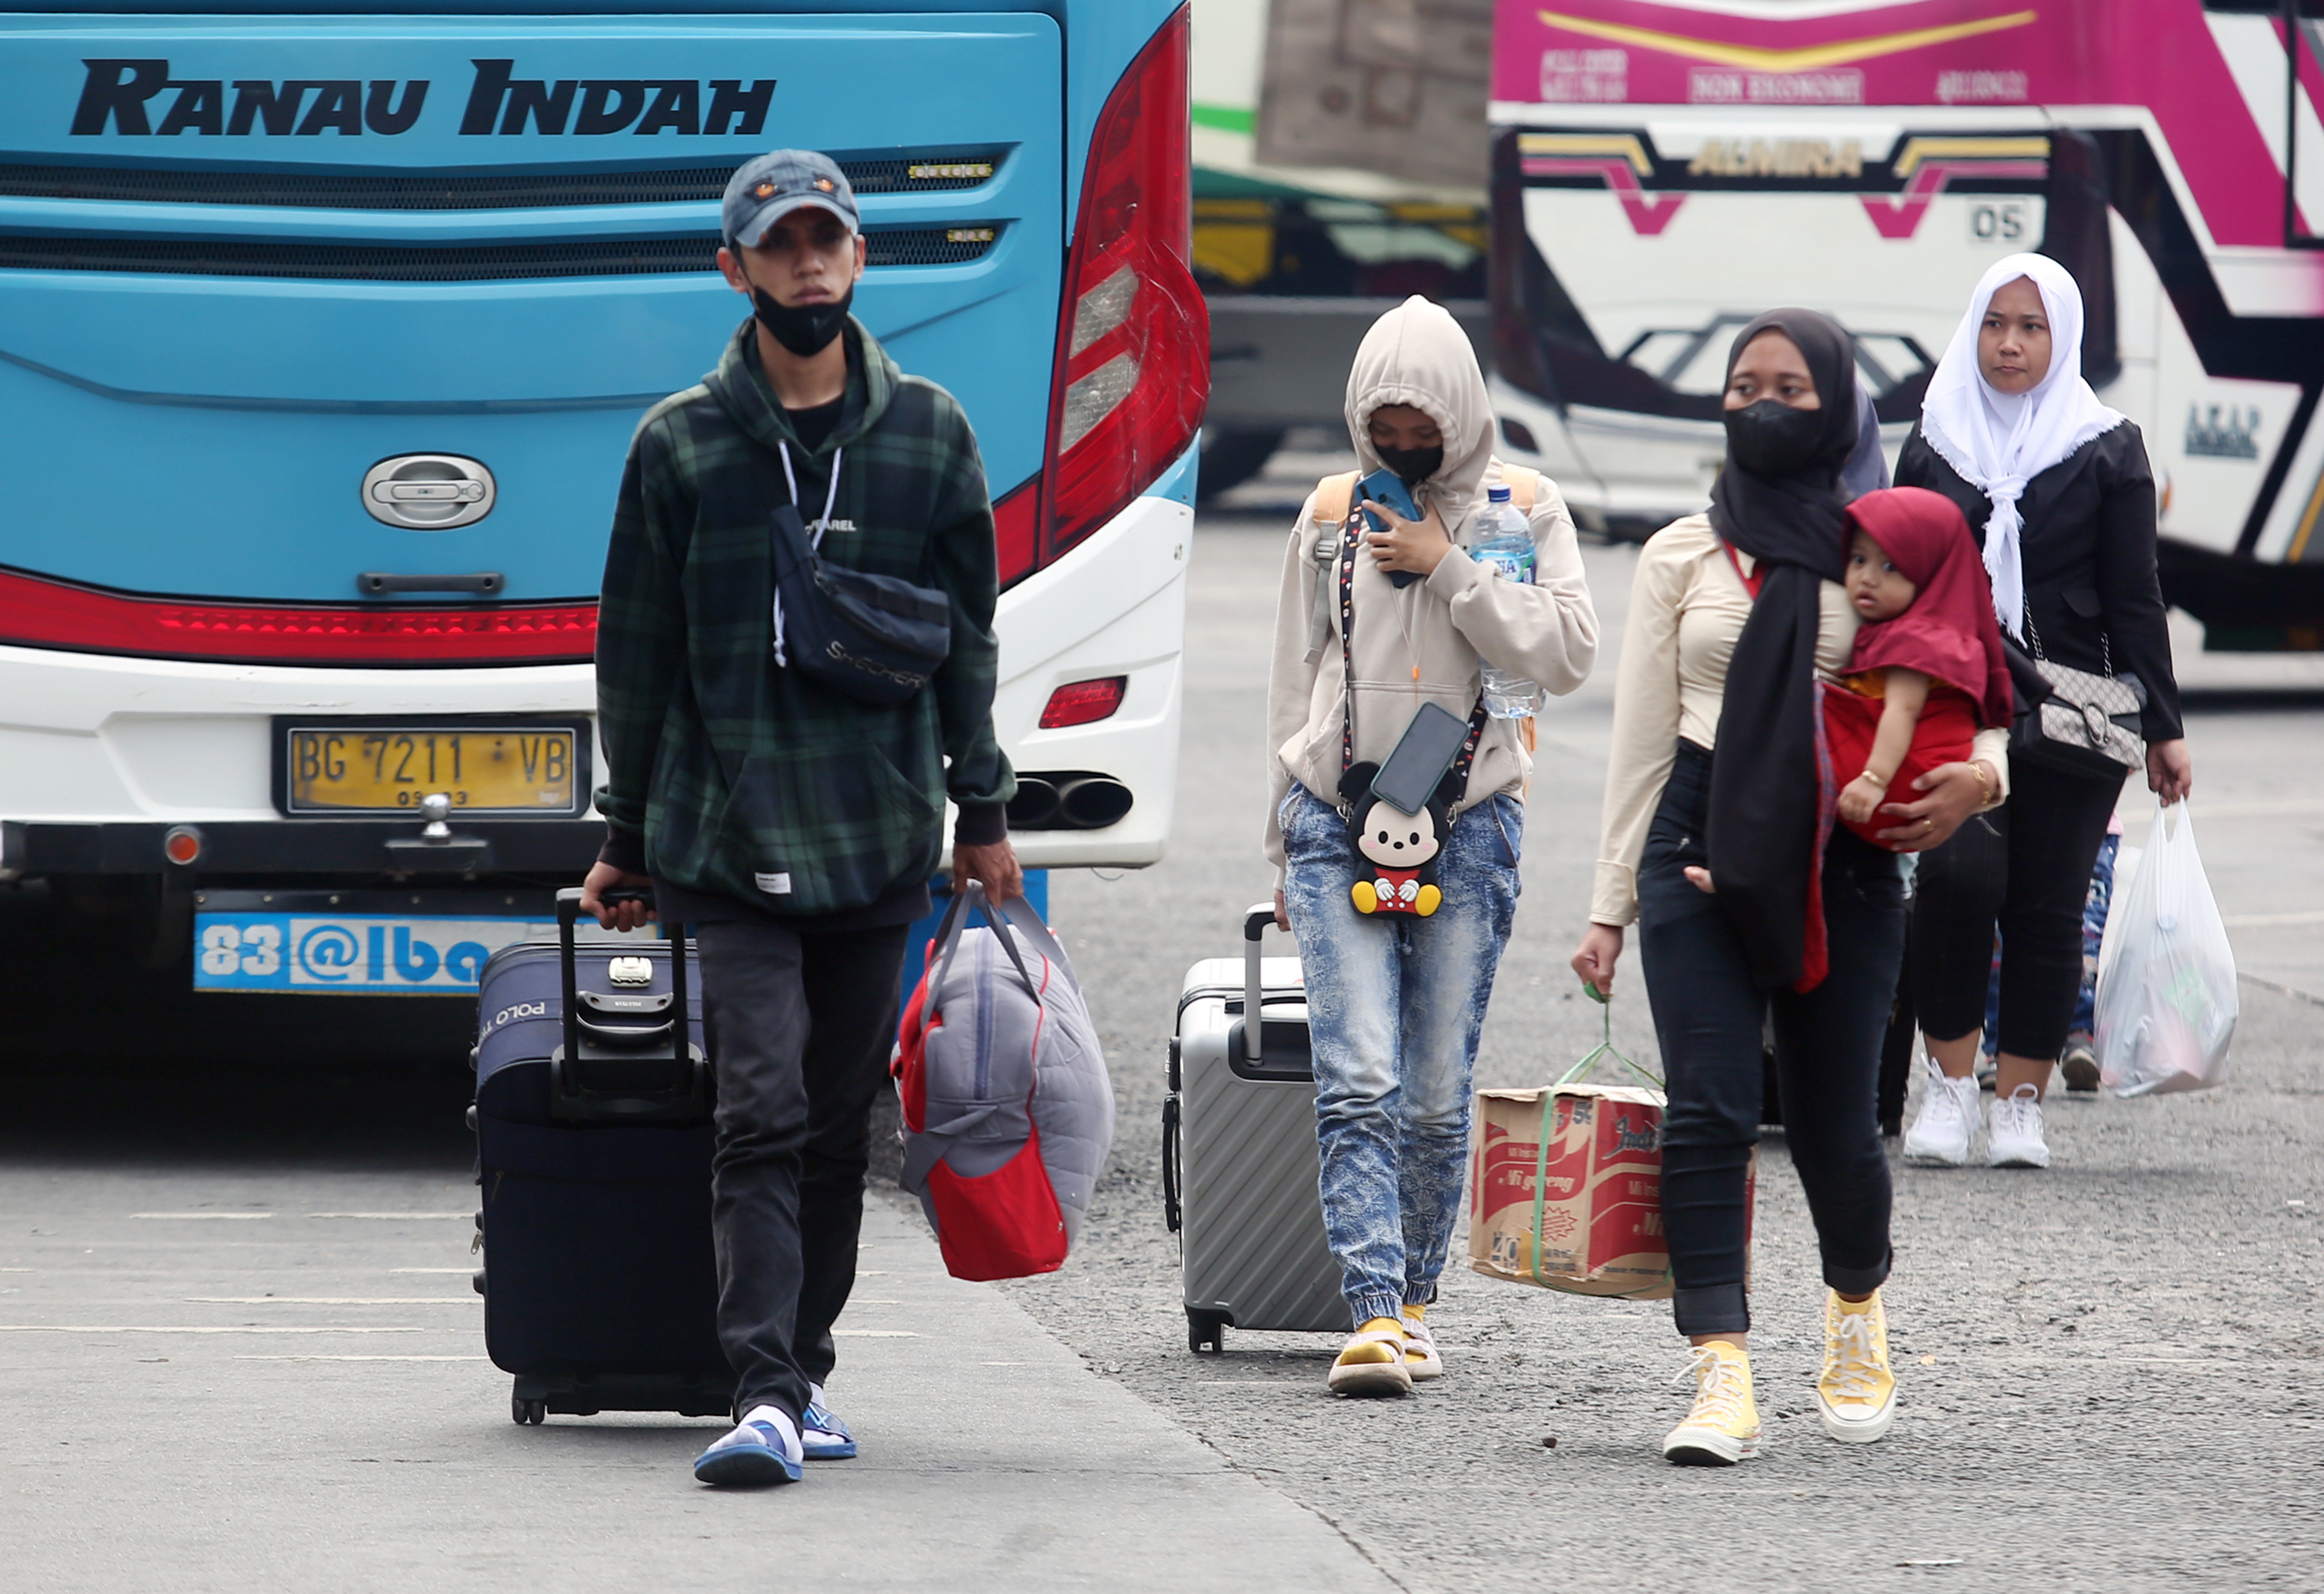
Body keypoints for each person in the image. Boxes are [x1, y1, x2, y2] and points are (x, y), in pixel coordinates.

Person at [580, 150, 1020, 1486]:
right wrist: (628, 833)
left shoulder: (930, 433)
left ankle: (805, 1368)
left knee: (838, 1126)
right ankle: (761, 1390)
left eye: (828, 241)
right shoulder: (681, 443)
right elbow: (637, 654)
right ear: (737, 268)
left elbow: (969, 644)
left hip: (878, 830)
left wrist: (980, 808)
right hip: (726, 829)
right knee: (759, 1109)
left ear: (860, 258)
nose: (809, 264)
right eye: (781, 246)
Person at [1569, 311, 2011, 1466]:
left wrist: (1975, 785)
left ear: (1838, 402)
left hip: (1845, 853)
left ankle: (1854, 1308)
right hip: (1696, 838)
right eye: (1740, 384)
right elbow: (1637, 741)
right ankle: (1719, 1369)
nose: (1760, 403)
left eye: (1788, 385)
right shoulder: (1679, 554)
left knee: (1831, 1129)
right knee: (1711, 1103)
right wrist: (1609, 903)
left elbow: (1972, 690)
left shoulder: (1894, 547)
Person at [1265, 295, 1597, 1396]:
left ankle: (1413, 1300)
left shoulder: (1527, 506)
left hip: (1468, 824)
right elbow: (1290, 676)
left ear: (1459, 415)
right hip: (1335, 819)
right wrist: (1282, 827)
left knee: (1434, 1095)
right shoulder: (1326, 511)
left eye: (1424, 427)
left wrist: (1452, 564)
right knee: (1356, 1073)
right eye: (1385, 426)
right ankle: (1371, 1311)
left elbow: (1567, 655)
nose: (1404, 447)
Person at [1897, 254, 2190, 1169]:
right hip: (1952, 700)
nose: (2010, 344)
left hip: (2073, 708)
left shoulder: (2106, 445)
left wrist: (2164, 726)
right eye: (1995, 324)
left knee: (2047, 905)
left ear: (2061, 338)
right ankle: (1949, 1085)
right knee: (1953, 880)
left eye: (2031, 327)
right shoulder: (1934, 438)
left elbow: (2135, 592)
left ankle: (2019, 1102)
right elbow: (1894, 580)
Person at [1826, 486, 2014, 846]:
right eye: (1858, 559)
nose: (1867, 578)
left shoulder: (1917, 640)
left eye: (1891, 566)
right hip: (1913, 785)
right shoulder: (1932, 632)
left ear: (1931, 574)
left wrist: (1873, 779)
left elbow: (1903, 709)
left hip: (1903, 777)